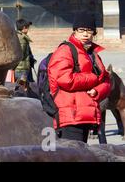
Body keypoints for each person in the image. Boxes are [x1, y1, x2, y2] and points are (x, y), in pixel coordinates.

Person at [47, 12, 111, 142]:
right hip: (70, 116)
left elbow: (106, 80)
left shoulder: (93, 54)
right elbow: (65, 79)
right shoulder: (65, 50)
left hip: (86, 114)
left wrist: (97, 91)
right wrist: (93, 79)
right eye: (81, 30)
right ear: (75, 31)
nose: (86, 34)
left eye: (90, 30)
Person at [14, 19, 36, 84]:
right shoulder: (22, 39)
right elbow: (21, 54)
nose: (28, 29)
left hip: (20, 68)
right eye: (28, 27)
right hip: (22, 69)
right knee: (22, 88)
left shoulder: (18, 36)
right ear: (24, 28)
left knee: (21, 86)